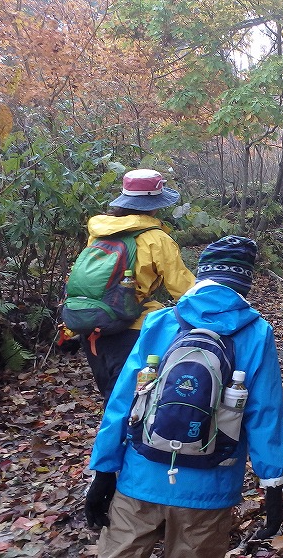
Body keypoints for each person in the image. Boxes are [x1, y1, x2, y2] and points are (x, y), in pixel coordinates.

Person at [85, 235, 283, 557]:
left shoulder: (159, 322)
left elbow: (122, 402)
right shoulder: (256, 332)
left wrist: (104, 470)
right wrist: (272, 482)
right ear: (245, 284)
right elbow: (264, 412)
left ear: (201, 276)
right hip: (211, 485)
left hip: (141, 474)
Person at [81, 169, 195, 400]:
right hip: (130, 326)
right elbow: (185, 291)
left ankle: (113, 435)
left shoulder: (100, 232)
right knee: (129, 399)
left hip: (90, 324)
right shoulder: (158, 239)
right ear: (154, 204)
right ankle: (122, 436)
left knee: (111, 397)